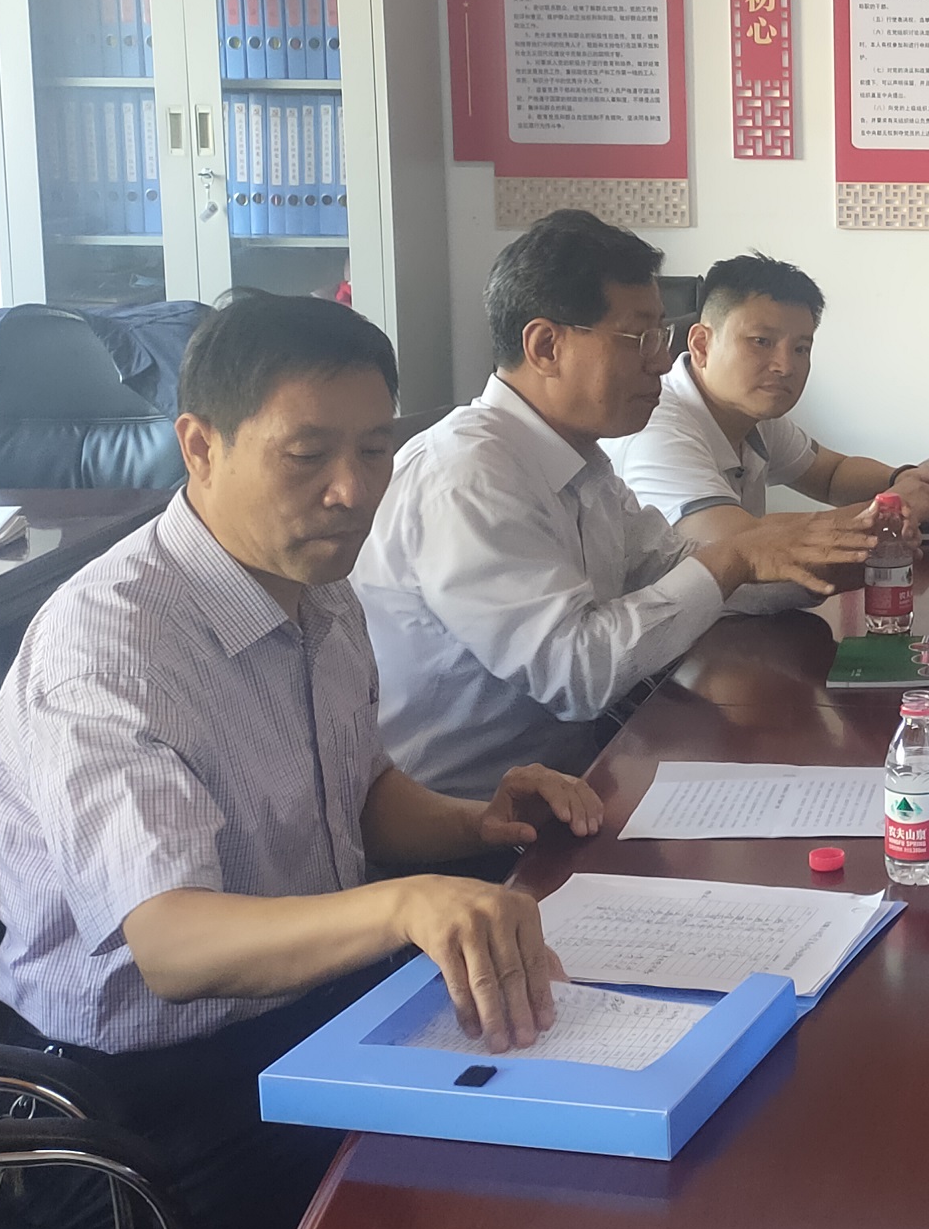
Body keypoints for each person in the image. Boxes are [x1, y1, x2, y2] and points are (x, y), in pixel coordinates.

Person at [0, 294, 606, 1229]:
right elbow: (171, 944)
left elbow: (354, 797)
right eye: (307, 454)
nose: (351, 491)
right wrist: (404, 904)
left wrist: (474, 822)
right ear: (200, 446)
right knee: (479, 1226)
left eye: (375, 449)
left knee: (574, 1126)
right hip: (139, 1107)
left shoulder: (319, 589)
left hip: (310, 1020)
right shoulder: (112, 649)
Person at [357, 209, 875, 798]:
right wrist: (738, 557)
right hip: (475, 821)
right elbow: (577, 673)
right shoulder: (469, 476)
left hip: (585, 778)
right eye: (640, 339)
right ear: (546, 346)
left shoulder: (581, 458)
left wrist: (823, 562)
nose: (662, 361)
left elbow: (670, 565)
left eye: (662, 337)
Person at [612, 253, 929, 614]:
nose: (785, 366)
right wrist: (892, 509)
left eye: (801, 348)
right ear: (701, 345)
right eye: (761, 341)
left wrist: (903, 478)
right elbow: (741, 549)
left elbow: (831, 474)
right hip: (666, 640)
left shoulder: (751, 411)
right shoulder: (656, 427)